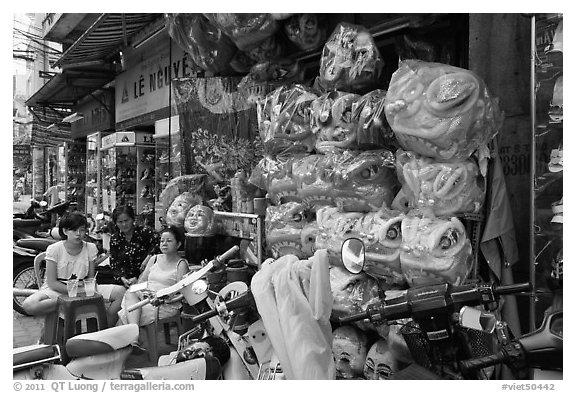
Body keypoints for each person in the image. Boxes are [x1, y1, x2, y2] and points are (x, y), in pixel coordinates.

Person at [22, 212, 126, 326]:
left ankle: (104, 328)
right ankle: (68, 305)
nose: (78, 234)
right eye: (73, 230)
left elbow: (91, 278)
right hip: (58, 290)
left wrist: (84, 291)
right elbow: (52, 283)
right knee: (29, 305)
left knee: (121, 292)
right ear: (65, 231)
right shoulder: (54, 249)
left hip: (84, 289)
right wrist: (73, 294)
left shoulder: (90, 248)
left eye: (81, 230)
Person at [118, 226, 190, 326]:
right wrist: (143, 292)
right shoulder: (154, 259)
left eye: (169, 241)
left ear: (178, 244)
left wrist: (159, 296)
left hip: (163, 303)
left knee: (126, 315)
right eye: (162, 241)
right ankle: (133, 333)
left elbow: (181, 291)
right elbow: (141, 281)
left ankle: (133, 334)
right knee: (130, 294)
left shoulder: (181, 264)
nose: (164, 244)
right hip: (146, 298)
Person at [109, 205, 160, 287]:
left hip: (148, 277)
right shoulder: (115, 238)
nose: (124, 224)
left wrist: (149, 257)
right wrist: (122, 278)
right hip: (126, 281)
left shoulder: (145, 232)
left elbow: (160, 244)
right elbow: (114, 263)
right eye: (120, 222)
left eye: (126, 220)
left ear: (133, 219)